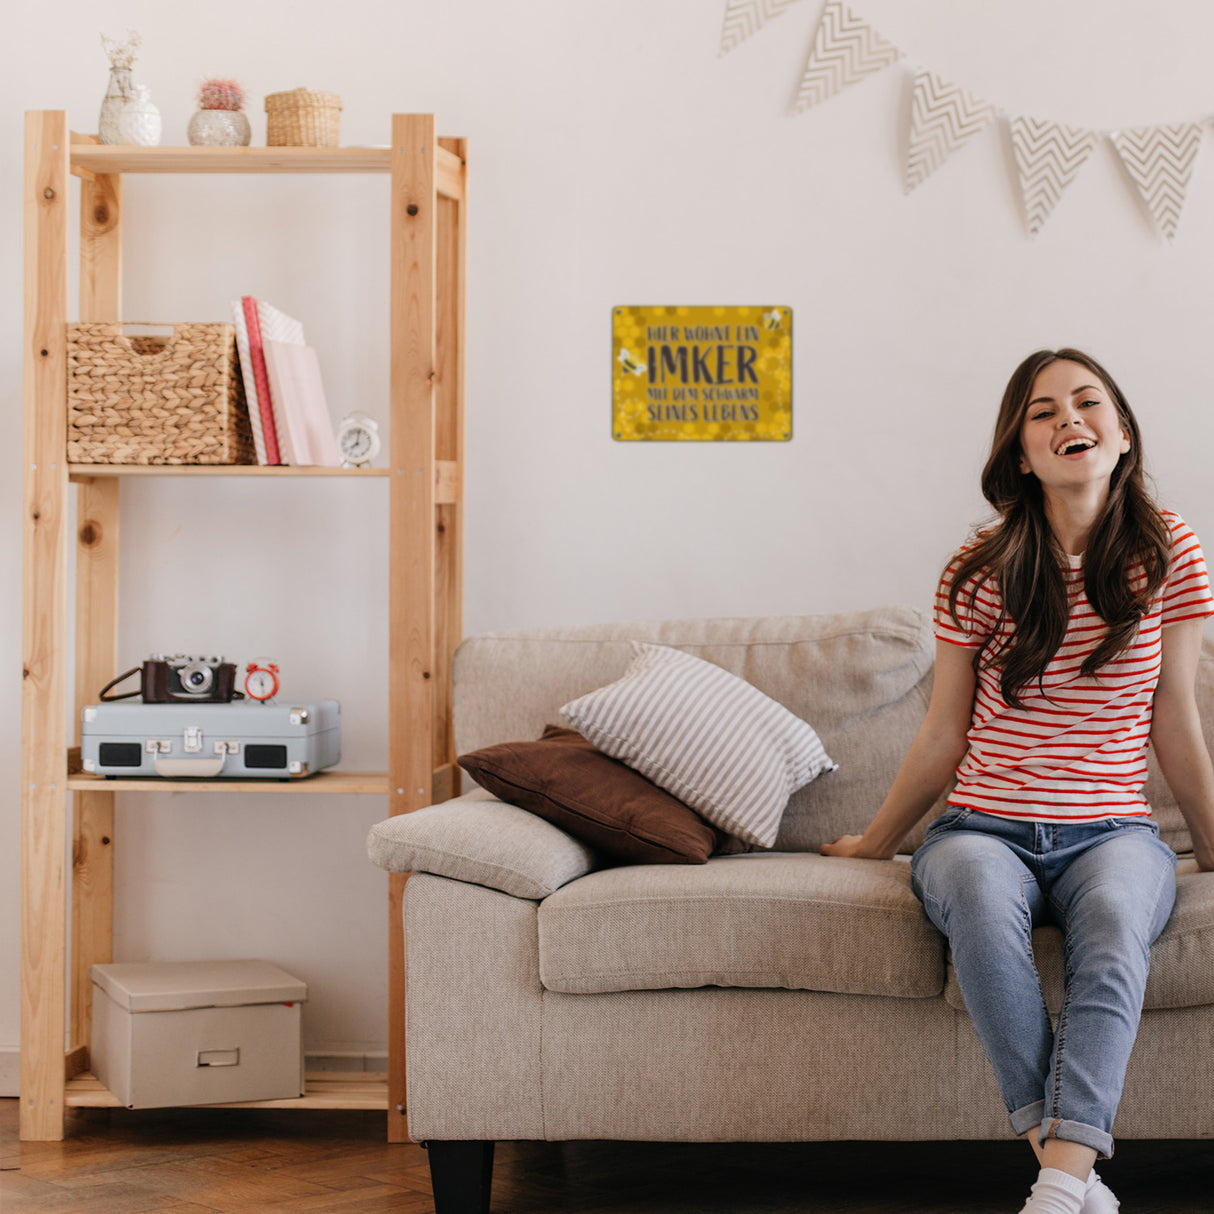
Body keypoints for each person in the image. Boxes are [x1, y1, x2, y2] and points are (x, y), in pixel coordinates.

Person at [821, 348, 1214, 1214]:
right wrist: (877, 843)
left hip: (1113, 833)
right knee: (976, 904)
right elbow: (943, 732)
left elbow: (1174, 718)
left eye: (1087, 403)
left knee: (1115, 920)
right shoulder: (978, 567)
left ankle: (1058, 1185)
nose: (1068, 419)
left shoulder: (1170, 551)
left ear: (1121, 438)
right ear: (1021, 453)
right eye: (1043, 411)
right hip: (979, 828)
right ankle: (1071, 1176)